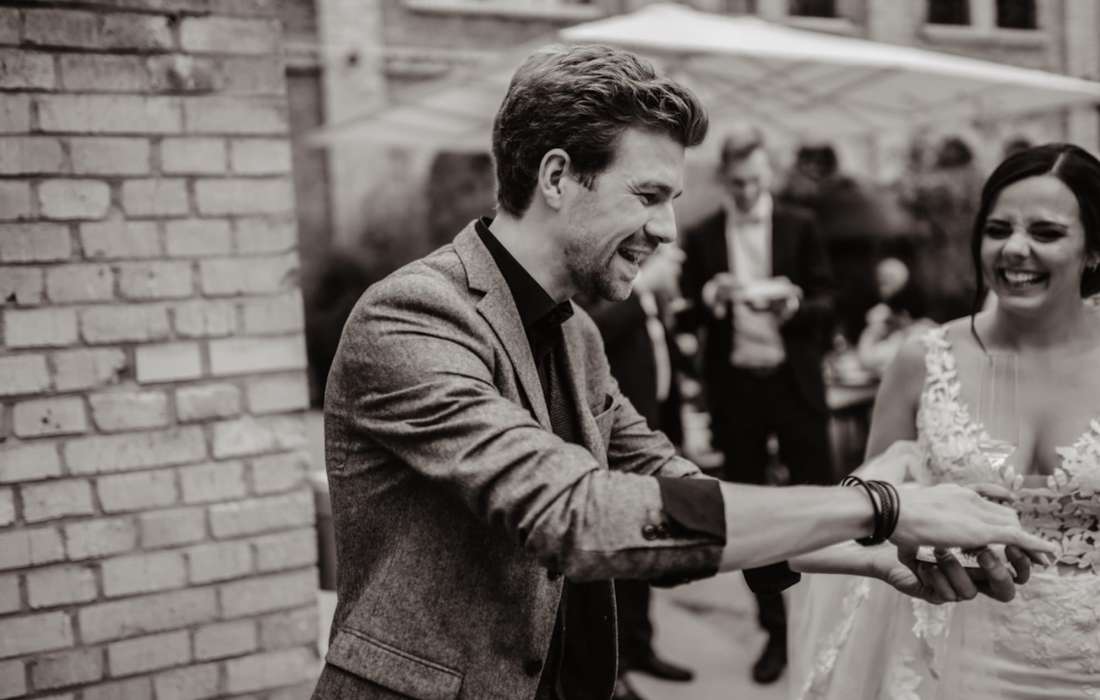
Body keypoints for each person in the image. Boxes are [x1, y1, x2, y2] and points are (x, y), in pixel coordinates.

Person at [312, 44, 1054, 700]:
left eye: (672, 201)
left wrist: (870, 556)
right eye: (648, 196)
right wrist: (879, 506)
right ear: (558, 176)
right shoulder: (412, 316)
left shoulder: (577, 334)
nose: (667, 230)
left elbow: (673, 486)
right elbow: (576, 514)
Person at [789, 143, 1100, 699]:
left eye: (1046, 233)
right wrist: (924, 526)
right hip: (952, 659)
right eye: (998, 230)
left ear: (1094, 250)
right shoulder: (925, 359)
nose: (1015, 248)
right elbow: (871, 516)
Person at [681, 125, 836, 684]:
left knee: (821, 503)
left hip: (794, 386)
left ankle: (825, 624)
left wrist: (794, 304)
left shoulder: (801, 225)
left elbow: (829, 302)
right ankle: (774, 630)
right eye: (737, 183)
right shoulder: (702, 235)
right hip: (737, 391)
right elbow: (686, 313)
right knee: (750, 515)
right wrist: (710, 296)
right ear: (725, 179)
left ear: (767, 174)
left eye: (754, 180)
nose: (746, 192)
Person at [582, 245, 693, 700]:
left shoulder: (651, 304)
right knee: (622, 551)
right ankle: (618, 662)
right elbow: (594, 333)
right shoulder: (604, 292)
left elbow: (665, 365)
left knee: (647, 542)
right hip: (613, 444)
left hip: (652, 428)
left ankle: (641, 645)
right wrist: (643, 287)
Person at [856, 257, 934, 377]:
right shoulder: (920, 329)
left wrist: (872, 331)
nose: (882, 289)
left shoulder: (916, 333)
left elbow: (868, 360)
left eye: (886, 281)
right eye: (880, 282)